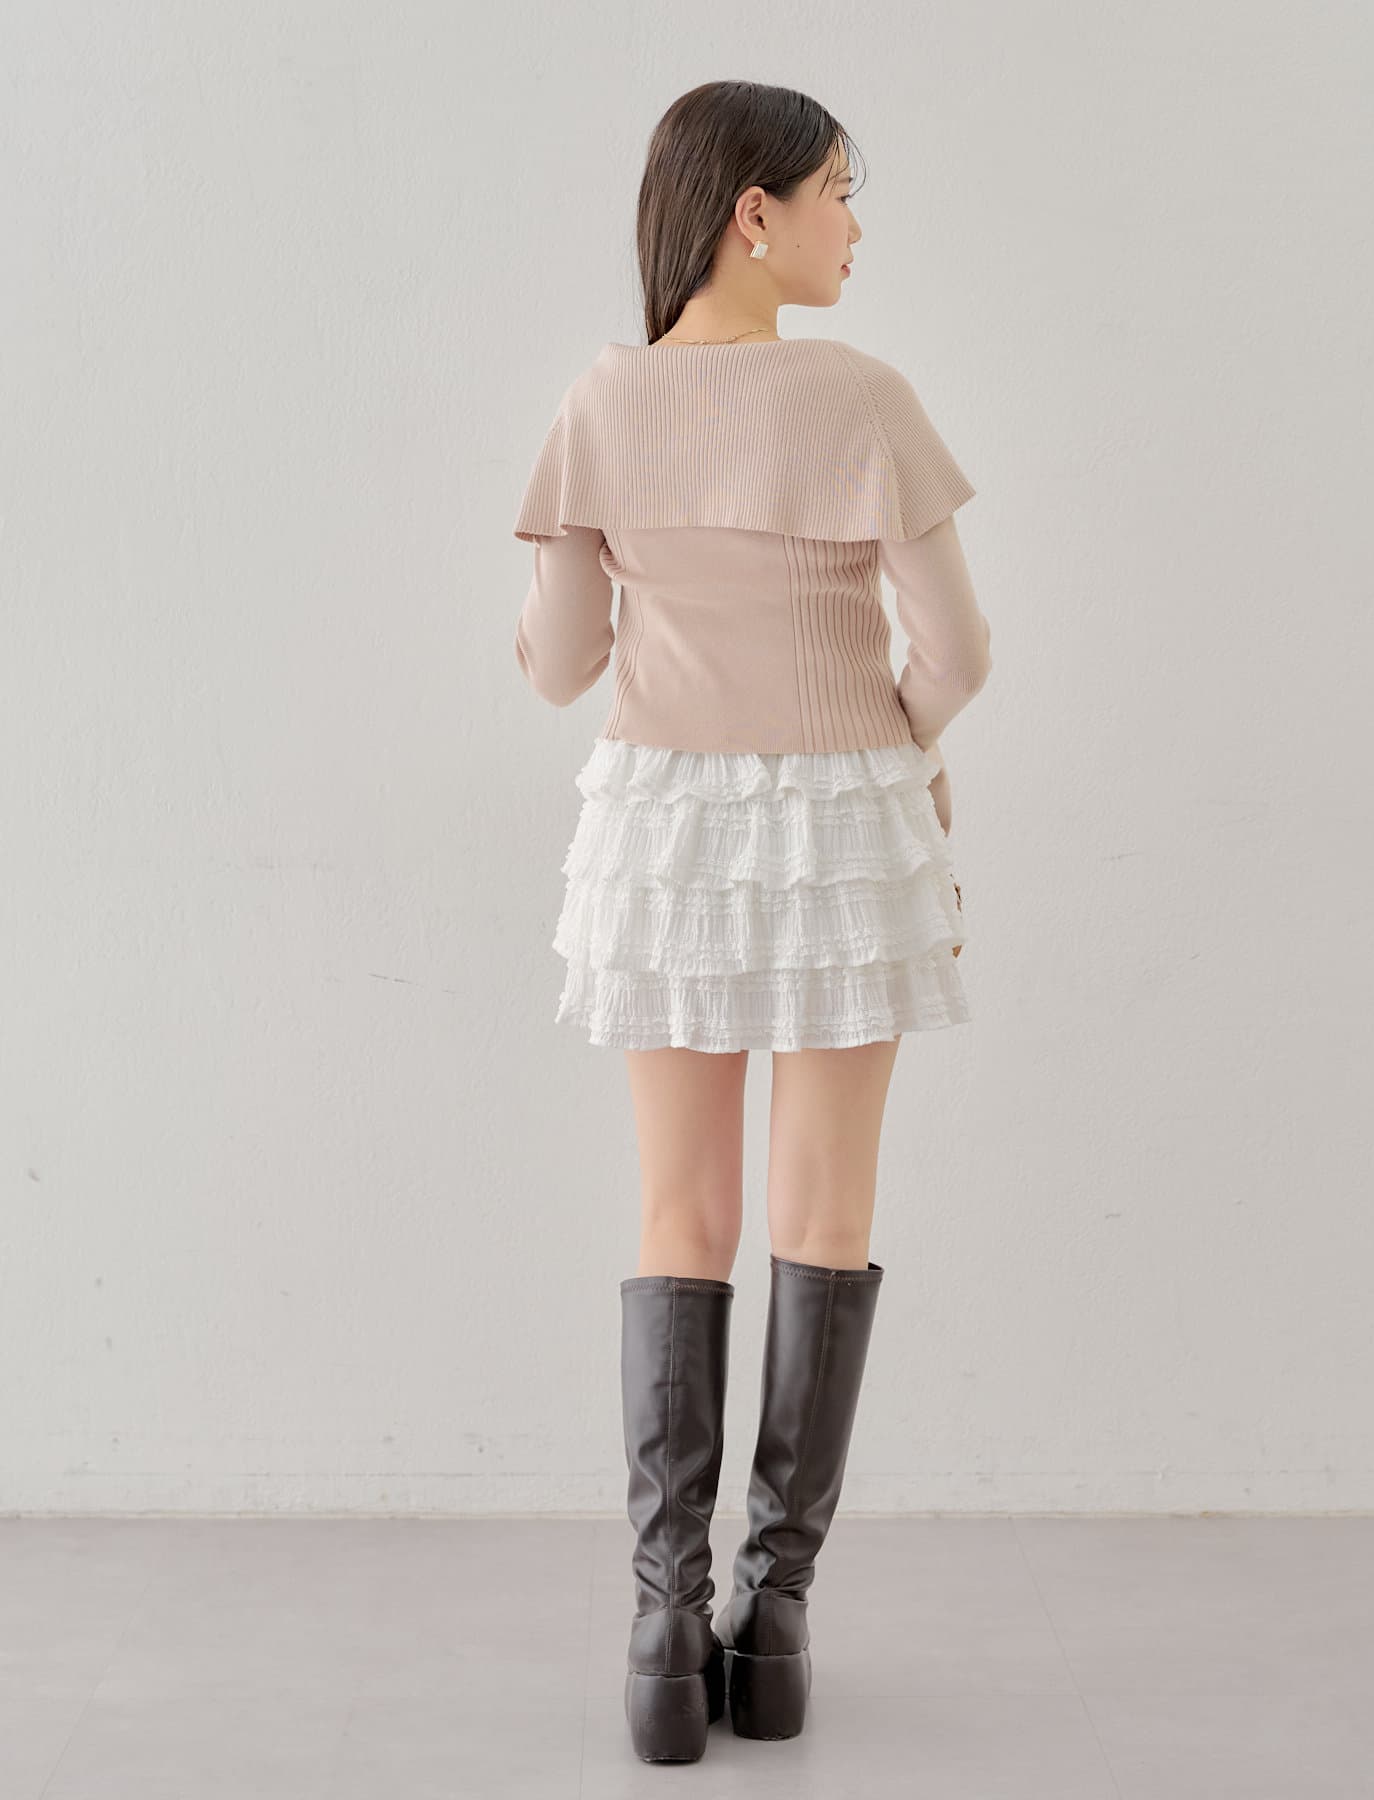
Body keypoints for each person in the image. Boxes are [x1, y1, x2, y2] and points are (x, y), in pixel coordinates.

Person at [511, 80, 994, 1763]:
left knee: (679, 1207)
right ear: (755, 211)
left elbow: (560, 665)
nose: (858, 226)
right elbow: (958, 654)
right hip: (845, 821)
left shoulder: (602, 399)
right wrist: (886, 747)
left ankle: (664, 1626)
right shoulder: (862, 398)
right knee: (824, 1206)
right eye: (841, 192)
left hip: (664, 827)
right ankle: (773, 1618)